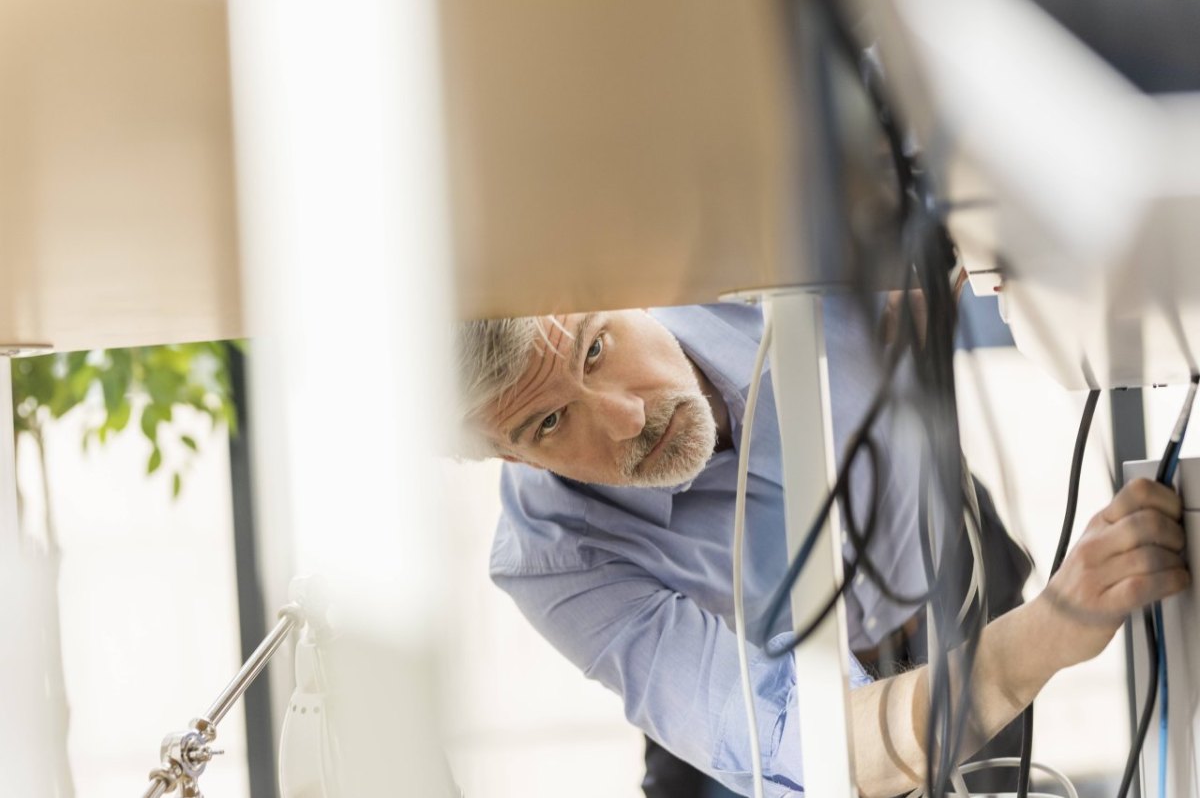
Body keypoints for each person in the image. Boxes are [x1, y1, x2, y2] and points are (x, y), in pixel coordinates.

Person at [455, 299, 1188, 797]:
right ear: (509, 456)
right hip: (752, 691)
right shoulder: (554, 559)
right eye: (550, 422)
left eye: (596, 347)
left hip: (946, 575)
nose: (626, 419)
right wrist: (1045, 636)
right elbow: (802, 750)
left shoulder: (758, 250)